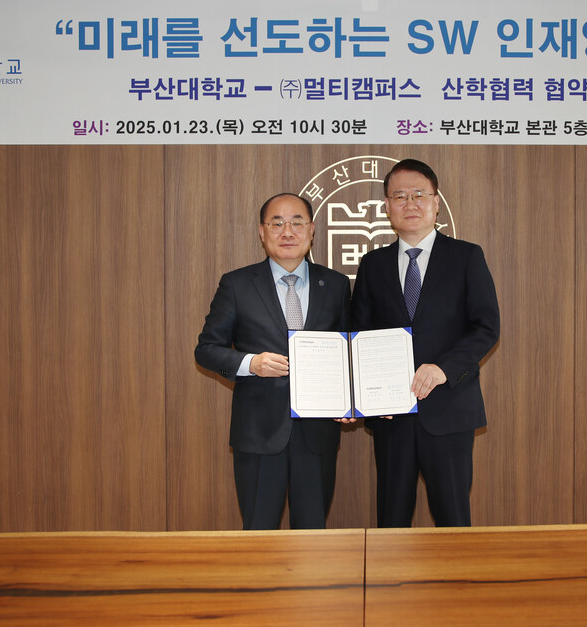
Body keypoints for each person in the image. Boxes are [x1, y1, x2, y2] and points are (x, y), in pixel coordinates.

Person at [351, 159, 500, 527]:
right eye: (399, 196)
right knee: (391, 521)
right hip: (391, 416)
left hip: (449, 410)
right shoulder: (372, 264)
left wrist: (443, 369)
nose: (410, 203)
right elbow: (360, 334)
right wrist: (368, 395)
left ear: (436, 202)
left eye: (419, 195)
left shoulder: (466, 256)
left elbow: (486, 327)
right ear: (387, 207)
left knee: (453, 520)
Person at [195, 193, 351, 530]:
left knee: (313, 535)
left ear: (312, 230)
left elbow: (347, 352)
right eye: (277, 223)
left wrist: (350, 400)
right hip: (259, 434)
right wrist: (251, 363)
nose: (287, 231)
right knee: (259, 534)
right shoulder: (236, 284)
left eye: (297, 222)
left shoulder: (336, 285)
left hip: (318, 435)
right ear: (262, 232)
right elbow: (206, 349)